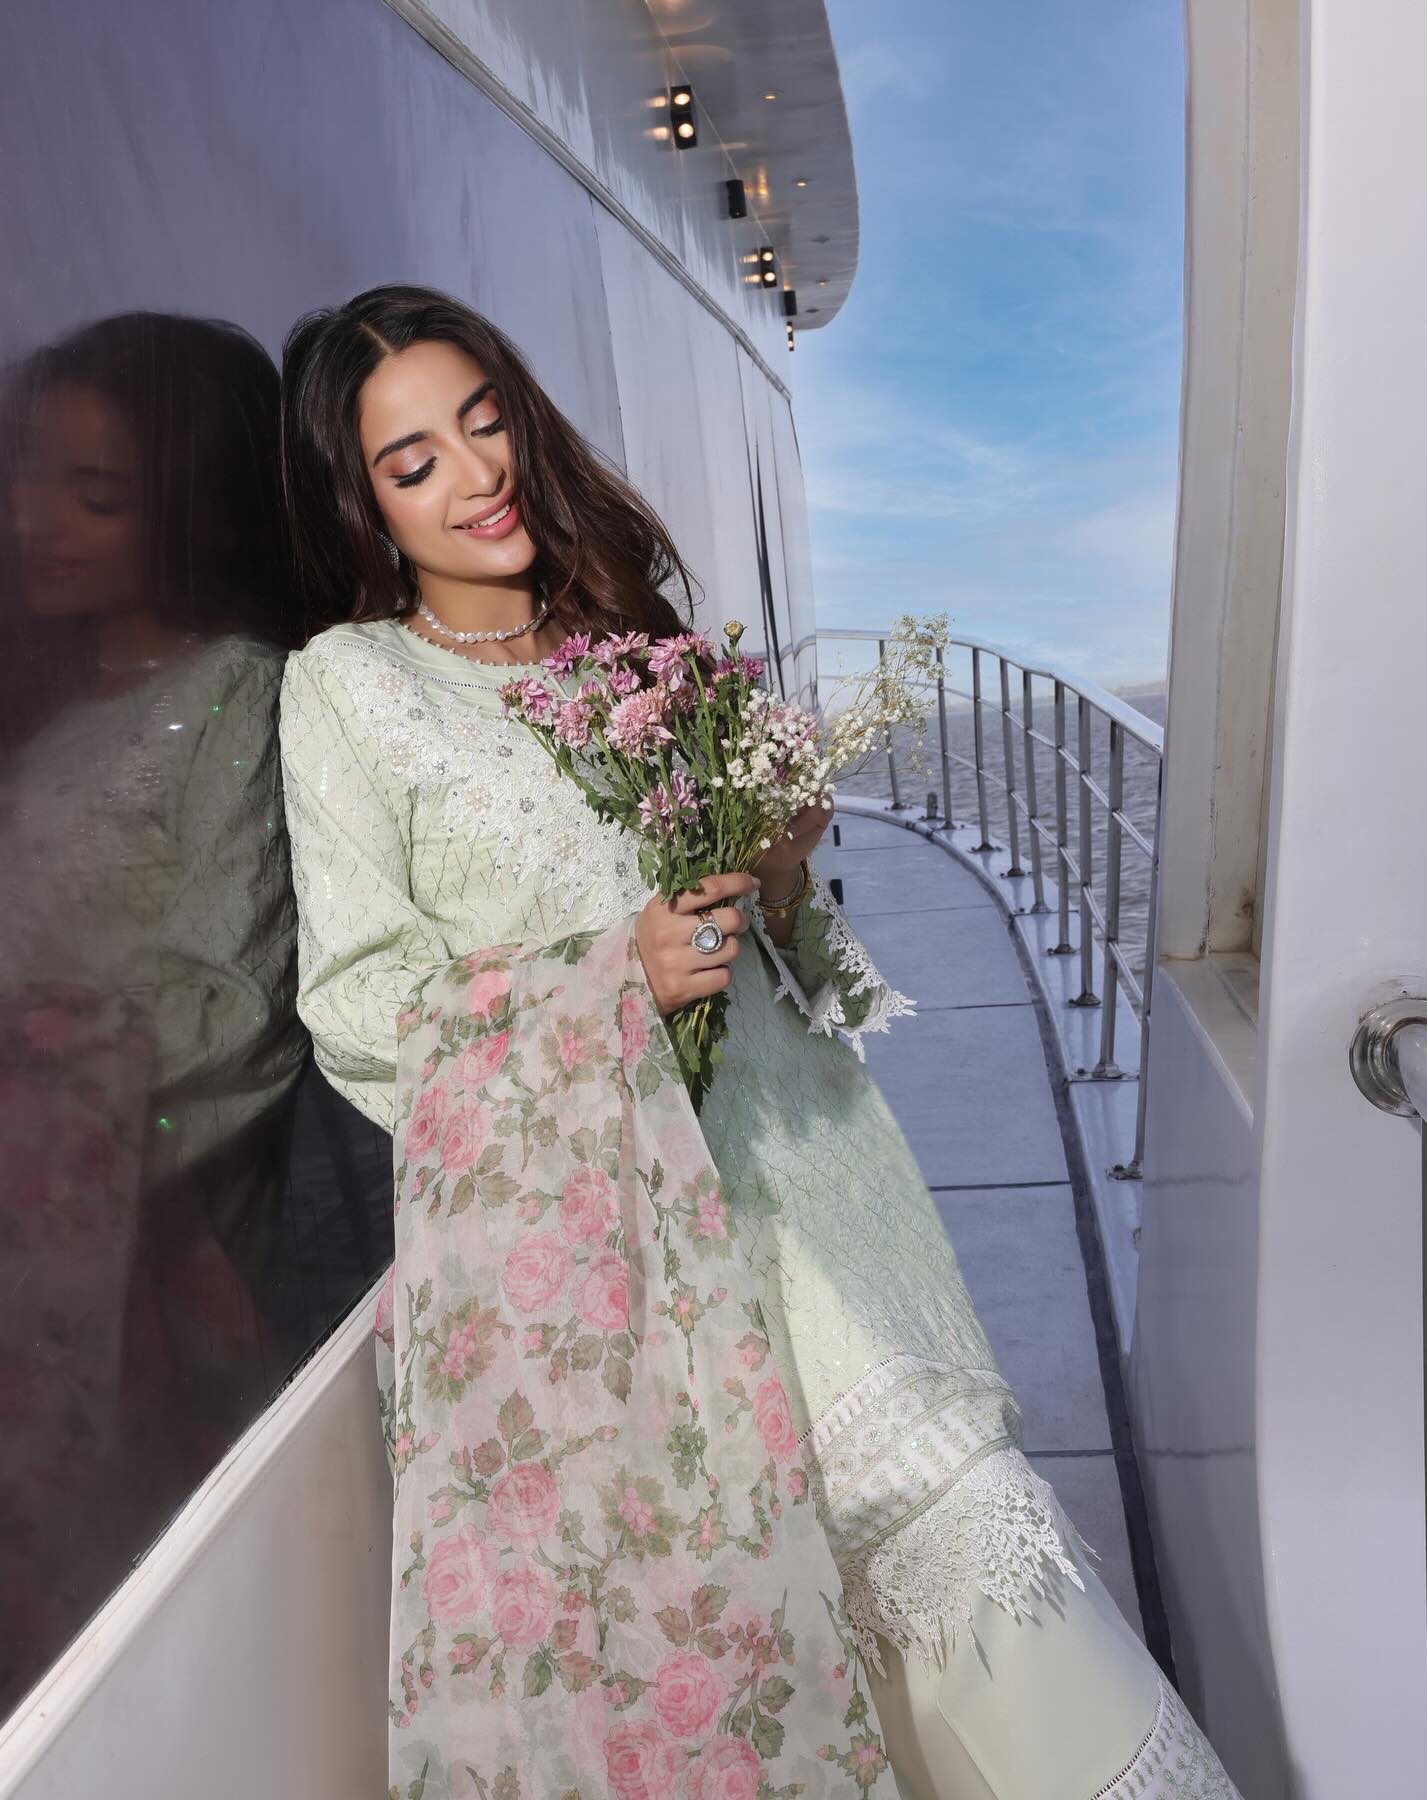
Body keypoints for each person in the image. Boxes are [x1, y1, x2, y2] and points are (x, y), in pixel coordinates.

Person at [277, 284, 1241, 1799]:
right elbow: (358, 1008)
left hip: (819, 1200)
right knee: (761, 1664)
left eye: (484, 421)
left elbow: (804, 979)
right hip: (616, 1261)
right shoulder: (351, 688)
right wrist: (613, 977)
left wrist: (785, 870)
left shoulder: (633, 645)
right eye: (415, 463)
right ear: (367, 505)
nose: (475, 474)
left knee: (987, 1585)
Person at [0, 312, 309, 1713]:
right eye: (29, 472)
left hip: (146, 1241)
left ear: (194, 507)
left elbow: (234, 1010)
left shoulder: (237, 692)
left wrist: (44, 1106)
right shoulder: (47, 704)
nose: (36, 519)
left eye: (96, 493)